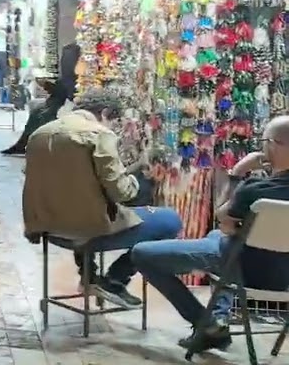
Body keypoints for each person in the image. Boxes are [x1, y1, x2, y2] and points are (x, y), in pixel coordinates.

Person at [132, 116, 289, 354]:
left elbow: (223, 218)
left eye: (265, 140)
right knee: (217, 236)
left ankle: (207, 325)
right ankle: (218, 320)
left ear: (274, 146)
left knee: (141, 254)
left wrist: (237, 173)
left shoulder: (256, 190)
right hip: (282, 277)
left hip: (244, 268)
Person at [23, 88, 182, 309]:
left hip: (48, 228)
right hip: (89, 230)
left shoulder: (40, 134)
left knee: (79, 202)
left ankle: (89, 276)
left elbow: (48, 182)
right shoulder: (99, 134)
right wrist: (136, 179)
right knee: (170, 221)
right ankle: (115, 279)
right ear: (105, 112)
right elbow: (122, 192)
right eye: (113, 121)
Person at [2, 42, 81, 156]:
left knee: (40, 114)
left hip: (64, 104)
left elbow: (69, 93)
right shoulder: (68, 75)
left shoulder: (77, 75)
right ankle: (22, 144)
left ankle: (23, 144)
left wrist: (54, 87)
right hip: (58, 102)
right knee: (37, 111)